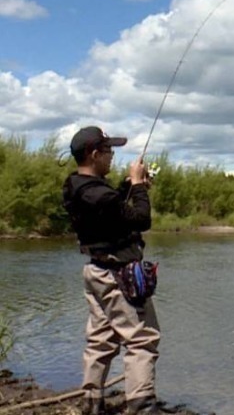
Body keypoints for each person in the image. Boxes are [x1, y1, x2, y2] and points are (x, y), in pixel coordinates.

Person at [62, 126, 161, 415]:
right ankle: (141, 406)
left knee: (101, 339)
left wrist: (130, 183)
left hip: (96, 272)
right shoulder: (98, 195)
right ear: (94, 154)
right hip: (118, 275)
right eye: (108, 151)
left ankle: (91, 402)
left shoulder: (76, 185)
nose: (112, 156)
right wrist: (140, 187)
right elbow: (141, 219)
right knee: (142, 340)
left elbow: (111, 205)